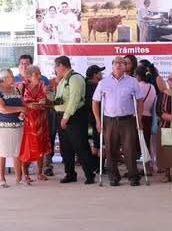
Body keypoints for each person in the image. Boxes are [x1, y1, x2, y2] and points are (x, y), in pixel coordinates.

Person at [92, 55, 143, 187]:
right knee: (110, 149)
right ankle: (114, 177)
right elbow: (95, 102)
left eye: (122, 63)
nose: (119, 65)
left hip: (128, 120)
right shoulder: (103, 82)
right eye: (117, 63)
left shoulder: (132, 81)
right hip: (109, 120)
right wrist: (98, 120)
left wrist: (139, 117)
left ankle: (133, 176)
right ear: (112, 65)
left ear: (125, 66)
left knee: (129, 149)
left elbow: (139, 100)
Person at [52, 57, 96, 184]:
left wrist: (66, 117)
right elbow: (60, 99)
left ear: (61, 66)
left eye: (56, 67)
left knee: (80, 145)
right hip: (61, 115)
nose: (55, 70)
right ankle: (70, 173)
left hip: (74, 116)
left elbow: (74, 100)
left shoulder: (75, 78)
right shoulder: (62, 80)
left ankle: (89, 174)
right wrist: (49, 96)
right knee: (65, 147)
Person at [0, 70, 26, 187]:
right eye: (10, 76)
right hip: (1, 127)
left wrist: (22, 112)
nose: (13, 78)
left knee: (18, 152)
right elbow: (2, 109)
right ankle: (2, 179)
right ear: (4, 78)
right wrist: (20, 109)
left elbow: (23, 104)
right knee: (1, 152)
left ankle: (19, 178)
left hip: (18, 126)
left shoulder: (16, 89)